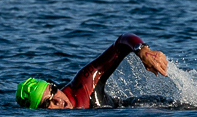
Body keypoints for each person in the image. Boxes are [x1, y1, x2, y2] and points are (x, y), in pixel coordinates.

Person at [16, 33, 169, 109]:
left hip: (141, 107)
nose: (58, 100)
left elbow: (121, 42)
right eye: (47, 103)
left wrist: (142, 50)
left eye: (54, 90)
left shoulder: (83, 85)